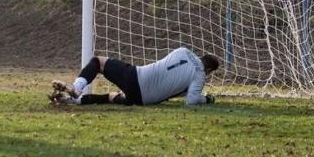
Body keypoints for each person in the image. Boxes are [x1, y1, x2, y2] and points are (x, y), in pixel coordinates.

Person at [49, 47, 219, 106]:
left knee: (98, 62)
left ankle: (76, 88)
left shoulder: (183, 50)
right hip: (142, 99)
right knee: (111, 97)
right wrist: (207, 99)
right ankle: (70, 100)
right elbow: (191, 101)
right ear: (209, 70)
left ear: (201, 55)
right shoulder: (199, 76)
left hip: (137, 77)